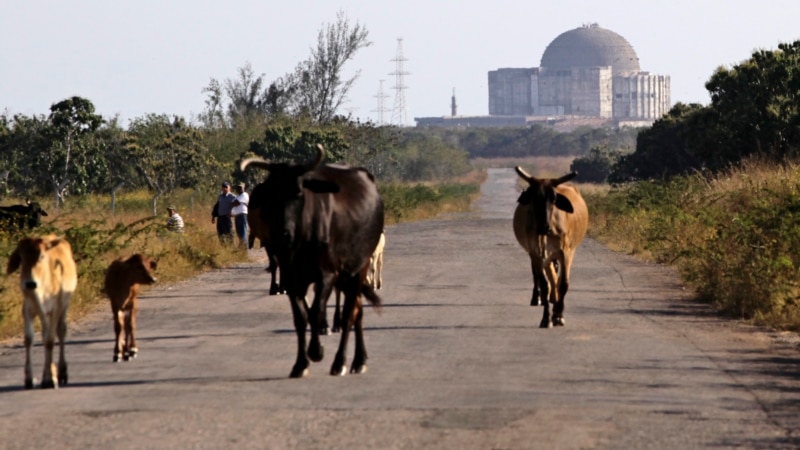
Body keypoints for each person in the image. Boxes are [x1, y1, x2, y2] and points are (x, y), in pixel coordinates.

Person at [231, 182, 249, 248]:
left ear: (243, 188)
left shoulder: (245, 194)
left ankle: (244, 249)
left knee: (243, 232)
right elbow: (233, 203)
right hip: (237, 216)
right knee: (239, 233)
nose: (239, 189)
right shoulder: (238, 196)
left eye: (240, 187)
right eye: (238, 187)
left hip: (242, 215)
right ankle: (242, 248)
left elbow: (236, 203)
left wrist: (234, 203)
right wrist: (234, 203)